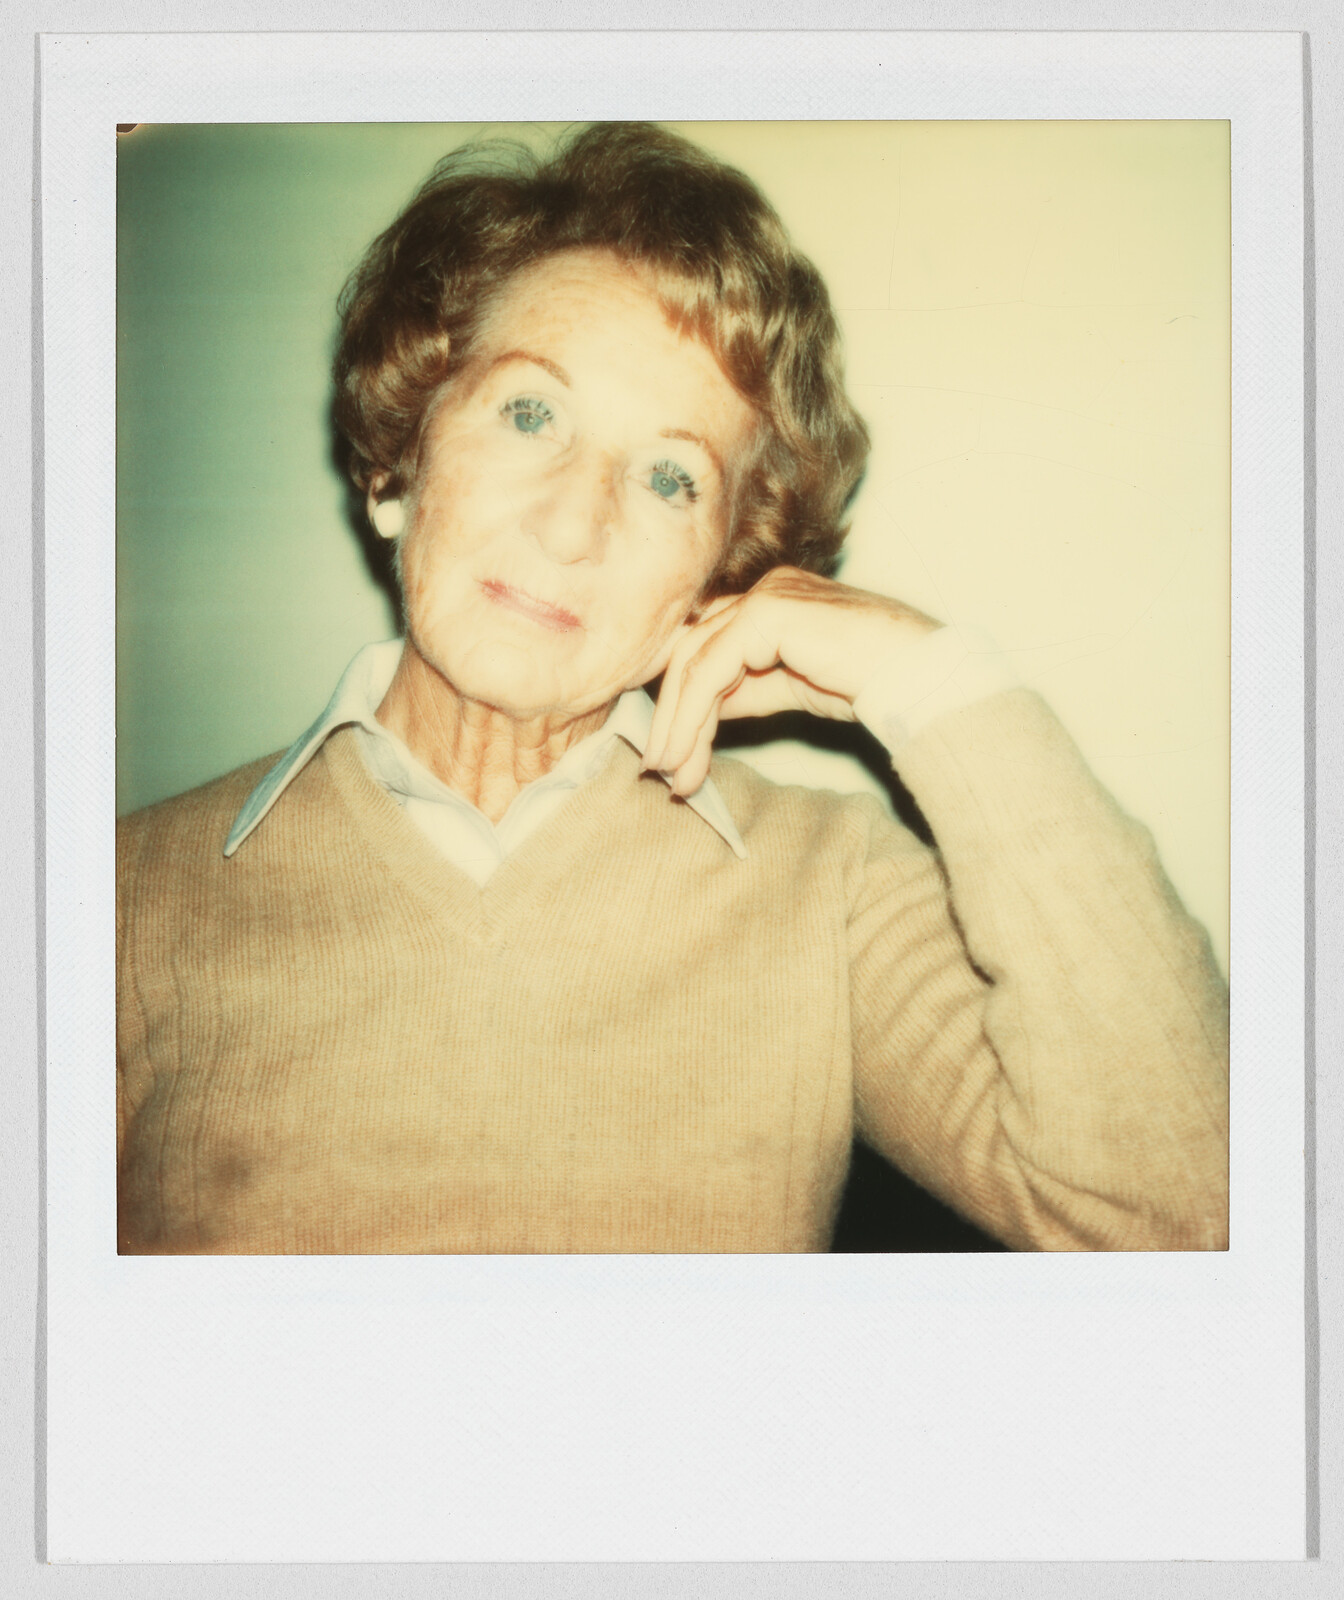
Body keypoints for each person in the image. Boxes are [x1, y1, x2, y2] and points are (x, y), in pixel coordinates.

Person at [115, 122, 1229, 1256]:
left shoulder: (829, 889)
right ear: (399, 463)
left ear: (714, 577)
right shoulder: (117, 901)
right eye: (531, 412)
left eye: (667, 476)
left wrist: (927, 675)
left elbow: (1184, 1208)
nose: (575, 520)